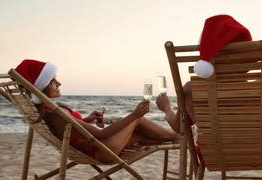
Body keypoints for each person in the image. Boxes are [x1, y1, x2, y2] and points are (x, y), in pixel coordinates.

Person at [15, 59, 179, 163]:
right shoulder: (57, 114)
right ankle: (178, 136)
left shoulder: (49, 112)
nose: (59, 83)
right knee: (138, 121)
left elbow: (70, 130)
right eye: (52, 81)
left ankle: (175, 139)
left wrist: (86, 120)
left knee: (141, 136)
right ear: (40, 88)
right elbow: (101, 135)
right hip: (102, 149)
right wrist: (134, 115)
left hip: (97, 147)